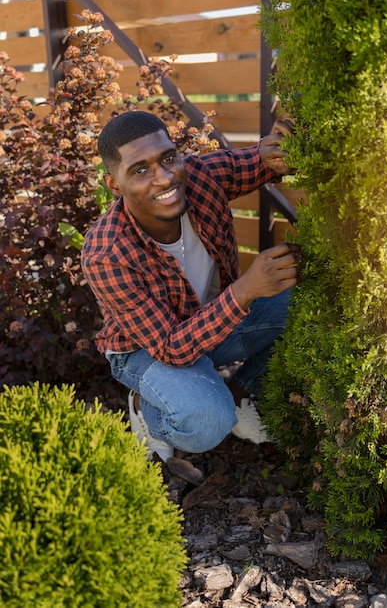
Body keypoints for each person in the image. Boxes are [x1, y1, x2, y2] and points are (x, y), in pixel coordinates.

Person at [81, 110, 301, 462]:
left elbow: (260, 160)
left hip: (212, 323)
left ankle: (239, 389)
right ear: (114, 185)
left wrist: (279, 146)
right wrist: (246, 289)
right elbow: (169, 347)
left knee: (305, 298)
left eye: (168, 158)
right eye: (140, 170)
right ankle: (145, 408)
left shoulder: (199, 179)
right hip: (145, 349)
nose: (164, 178)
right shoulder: (106, 254)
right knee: (206, 424)